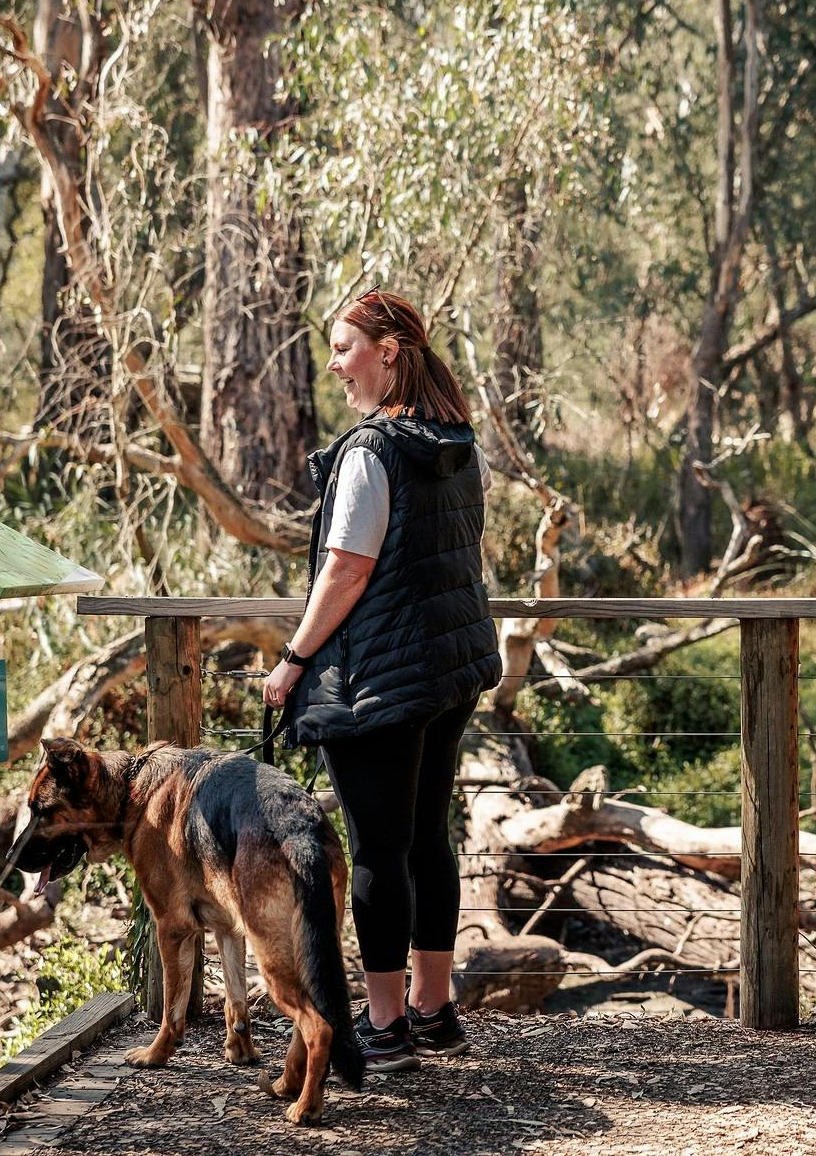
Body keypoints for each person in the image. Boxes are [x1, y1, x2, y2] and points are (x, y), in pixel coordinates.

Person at [264, 290, 502, 1073]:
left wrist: (294, 660)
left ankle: (386, 1026)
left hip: (380, 678)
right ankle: (434, 1012)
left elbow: (347, 567)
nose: (334, 364)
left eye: (343, 347)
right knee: (426, 838)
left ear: (388, 350)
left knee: (375, 851)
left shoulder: (373, 450)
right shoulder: (453, 439)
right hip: (447, 669)